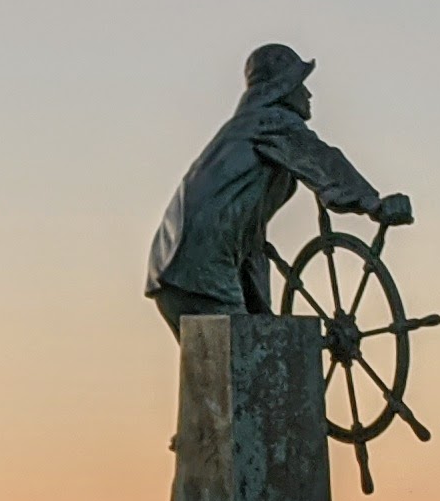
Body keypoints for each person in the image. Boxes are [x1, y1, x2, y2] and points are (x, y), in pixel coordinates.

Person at [142, 44, 412, 332]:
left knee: (221, 367)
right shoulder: (271, 120)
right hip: (202, 269)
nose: (308, 94)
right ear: (282, 88)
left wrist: (262, 313)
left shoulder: (242, 129)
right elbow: (320, 160)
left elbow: (247, 237)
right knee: (248, 360)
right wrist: (374, 204)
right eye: (301, 84)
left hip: (172, 271)